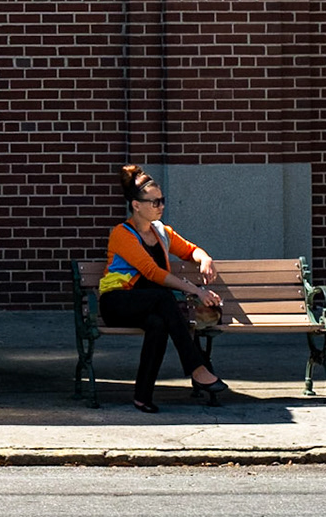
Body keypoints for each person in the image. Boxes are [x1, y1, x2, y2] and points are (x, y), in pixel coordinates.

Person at [97, 164, 231, 413]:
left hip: (149, 302)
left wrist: (205, 259)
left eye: (162, 200)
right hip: (117, 302)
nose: (161, 206)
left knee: (158, 323)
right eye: (154, 202)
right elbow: (152, 273)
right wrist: (196, 291)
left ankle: (142, 396)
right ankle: (196, 367)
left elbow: (191, 250)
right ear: (136, 205)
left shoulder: (161, 232)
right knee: (162, 297)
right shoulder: (122, 234)